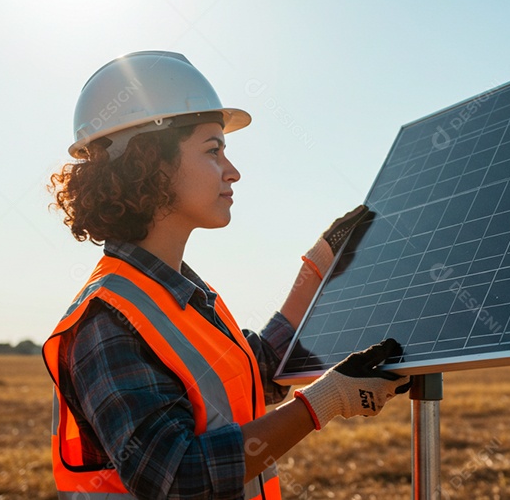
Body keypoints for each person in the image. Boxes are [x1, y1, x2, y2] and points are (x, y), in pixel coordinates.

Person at [43, 51, 411, 500]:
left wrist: (317, 267)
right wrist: (324, 401)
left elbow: (258, 372)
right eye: (213, 150)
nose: (232, 171)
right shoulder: (108, 320)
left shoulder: (180, 296)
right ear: (151, 163)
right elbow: (177, 475)